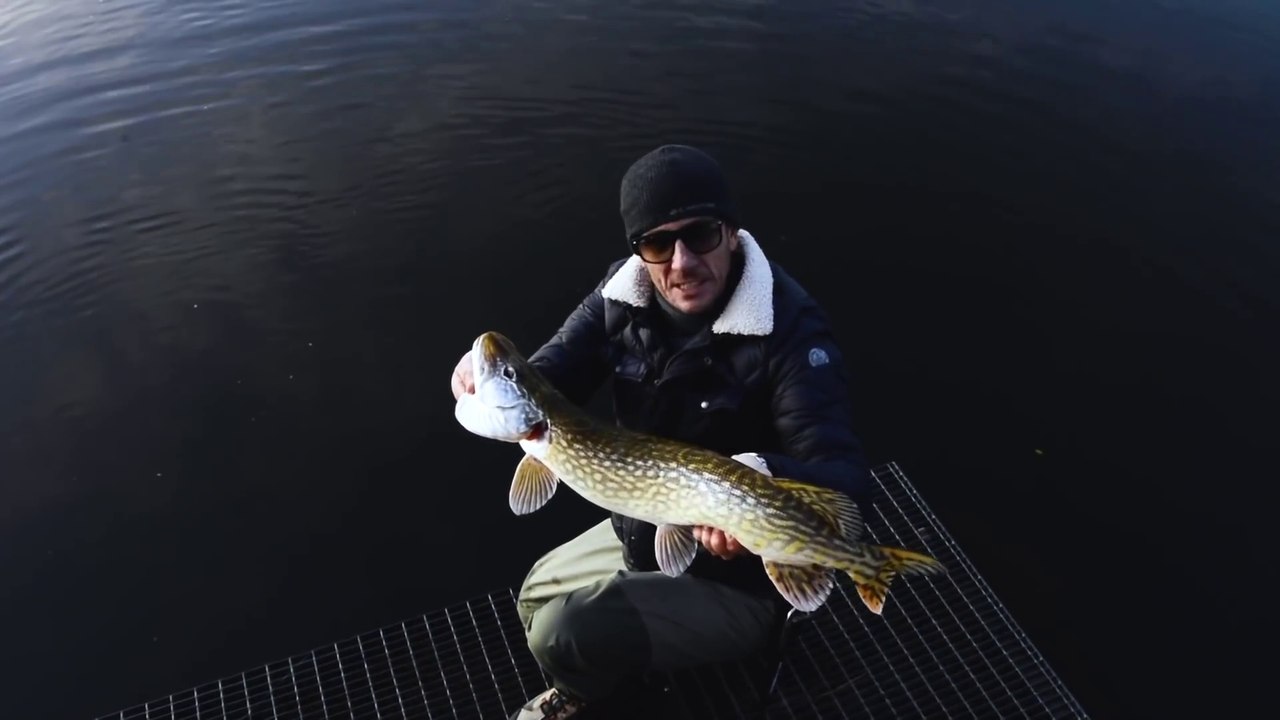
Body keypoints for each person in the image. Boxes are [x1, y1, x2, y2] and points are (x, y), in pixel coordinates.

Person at [450, 144, 872, 720]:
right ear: (638, 252)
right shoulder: (621, 297)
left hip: (745, 578)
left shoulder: (794, 335)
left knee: (561, 632)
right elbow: (548, 376)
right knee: (535, 595)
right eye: (656, 243)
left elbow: (842, 478)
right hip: (650, 521)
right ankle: (607, 672)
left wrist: (754, 486)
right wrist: (478, 379)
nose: (680, 263)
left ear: (729, 231)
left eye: (699, 234)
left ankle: (604, 692)